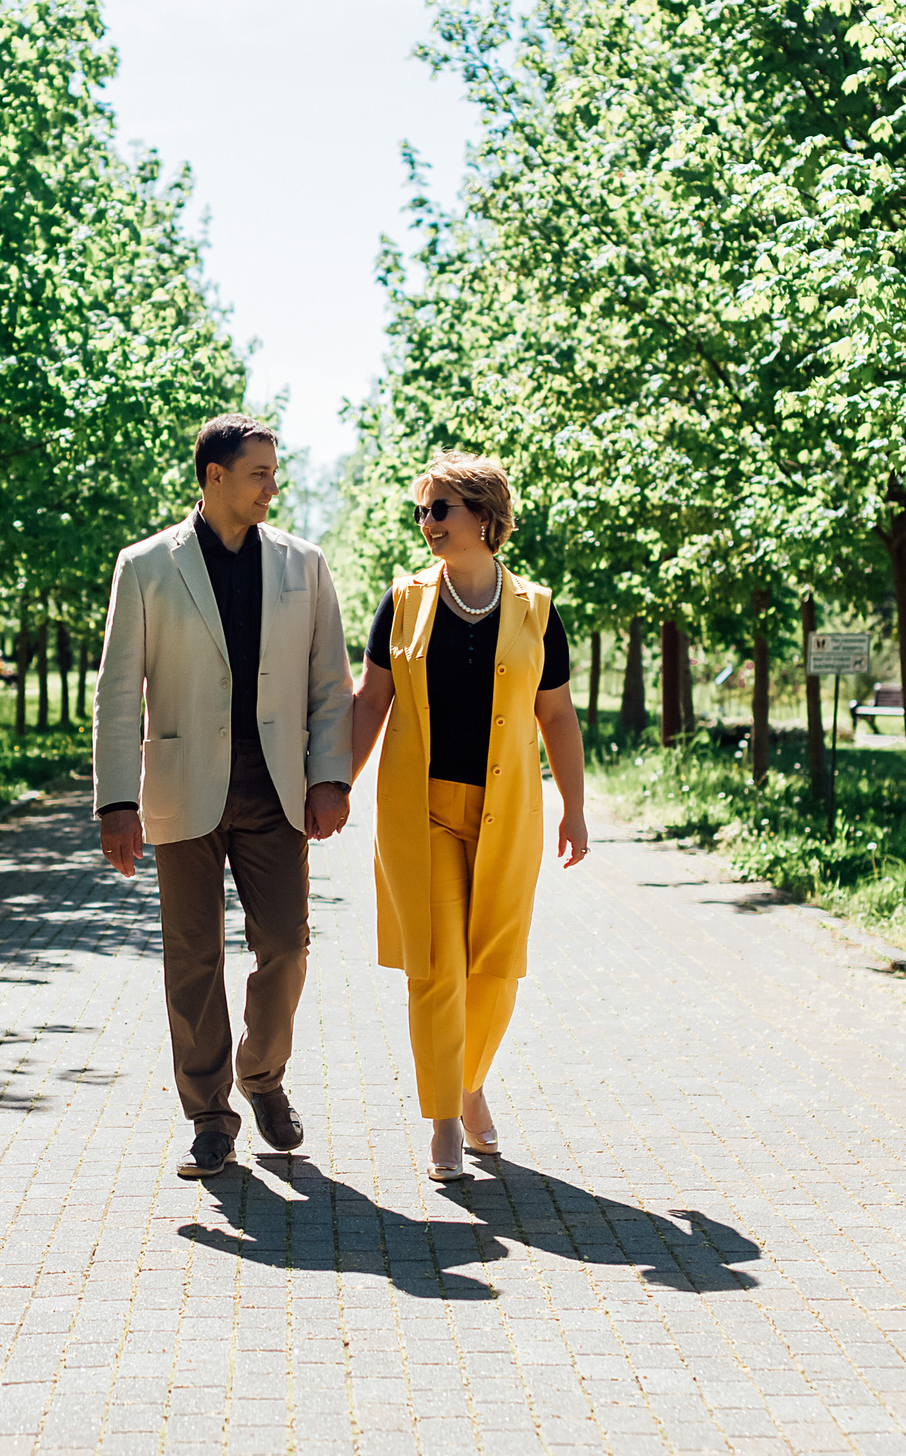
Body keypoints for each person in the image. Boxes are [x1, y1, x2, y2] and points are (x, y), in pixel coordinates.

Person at [94, 414, 357, 1179]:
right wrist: (117, 800)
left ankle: (262, 1074)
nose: (273, 485)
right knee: (192, 957)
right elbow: (118, 692)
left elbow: (328, 684)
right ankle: (211, 1115)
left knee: (285, 943)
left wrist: (329, 777)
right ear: (215, 477)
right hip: (181, 782)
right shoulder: (145, 566)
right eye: (260, 473)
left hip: (276, 785)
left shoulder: (304, 566)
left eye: (274, 471)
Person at [348, 452, 589, 1181]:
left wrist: (574, 806)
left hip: (505, 813)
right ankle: (446, 1120)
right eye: (421, 510)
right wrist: (331, 787)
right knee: (438, 968)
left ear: (485, 517)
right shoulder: (403, 600)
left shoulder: (535, 609)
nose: (427, 523)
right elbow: (370, 701)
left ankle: (469, 1078)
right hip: (420, 812)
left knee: (495, 970)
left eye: (440, 509)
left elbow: (557, 713)